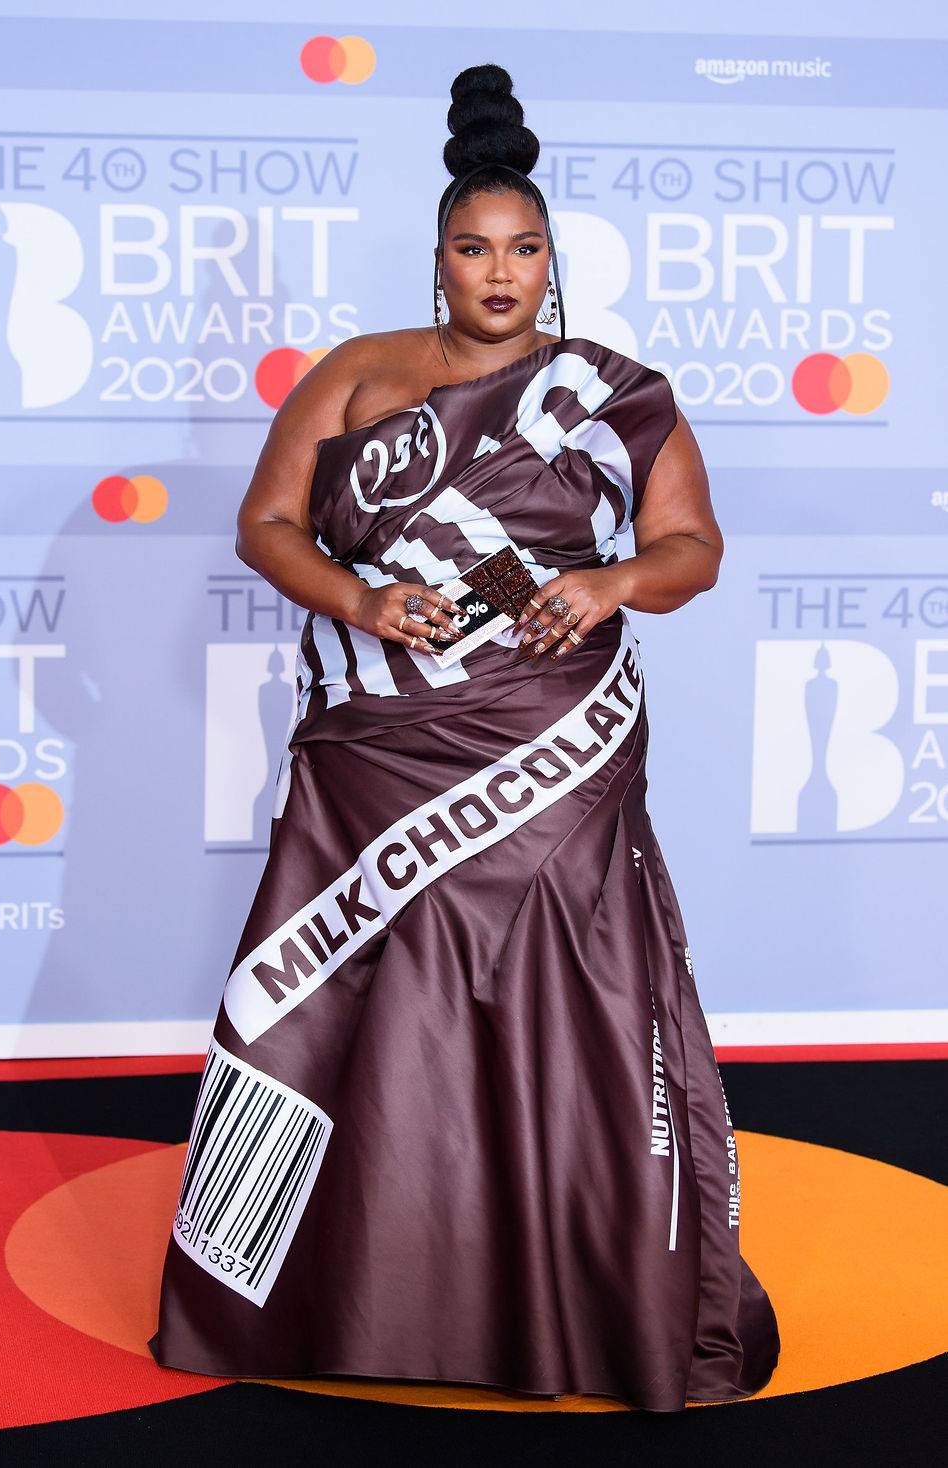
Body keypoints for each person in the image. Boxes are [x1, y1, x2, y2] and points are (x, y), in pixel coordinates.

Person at [150, 63, 779, 1412]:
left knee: (564, 999)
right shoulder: (357, 372)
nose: (500, 273)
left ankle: (570, 1301)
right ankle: (332, 1292)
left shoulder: (613, 391)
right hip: (376, 746)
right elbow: (267, 523)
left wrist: (611, 583)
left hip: (553, 743)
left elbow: (693, 548)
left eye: (524, 249)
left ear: (554, 259)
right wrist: (363, 598)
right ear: (436, 258)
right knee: (352, 1002)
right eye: (474, 249)